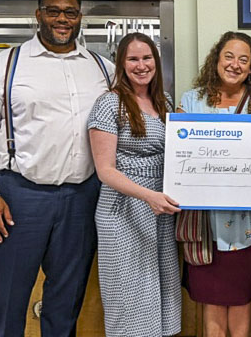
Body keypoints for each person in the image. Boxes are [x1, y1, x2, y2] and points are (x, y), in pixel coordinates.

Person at [0, 0, 113, 336]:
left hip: (82, 198)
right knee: (8, 301)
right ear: (38, 15)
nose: (62, 19)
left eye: (70, 12)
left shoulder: (102, 69)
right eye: (54, 11)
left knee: (65, 303)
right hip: (20, 197)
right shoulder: (6, 65)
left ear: (80, 19)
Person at [178, 31, 251, 337]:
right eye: (229, 56)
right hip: (205, 220)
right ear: (216, 60)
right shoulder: (190, 101)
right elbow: (180, 154)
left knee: (240, 294)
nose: (235, 64)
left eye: (243, 59)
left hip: (249, 221)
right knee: (210, 296)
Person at [88, 32, 181, 336]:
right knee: (130, 299)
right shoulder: (109, 103)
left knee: (161, 291)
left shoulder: (163, 102)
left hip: (160, 209)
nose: (141, 65)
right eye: (133, 59)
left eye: (147, 58)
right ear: (121, 64)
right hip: (124, 209)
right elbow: (105, 171)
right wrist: (148, 196)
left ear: (156, 61)